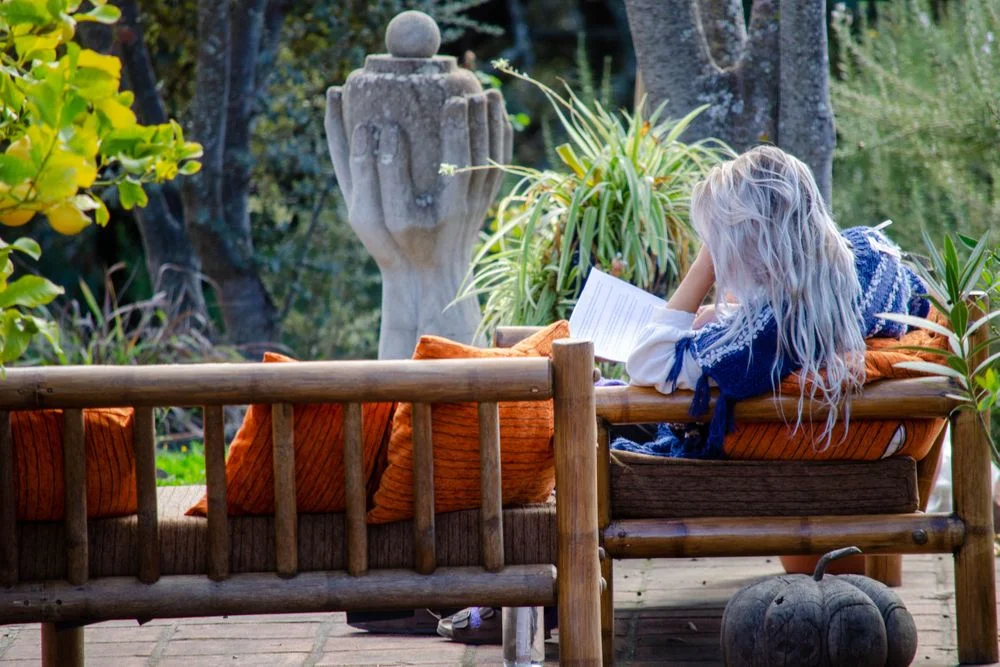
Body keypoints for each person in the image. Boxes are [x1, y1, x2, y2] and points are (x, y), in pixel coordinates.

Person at [623, 145, 930, 458]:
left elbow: (649, 362)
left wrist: (705, 267)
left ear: (752, 239)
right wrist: (738, 313)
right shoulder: (872, 256)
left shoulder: (770, 332)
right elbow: (920, 301)